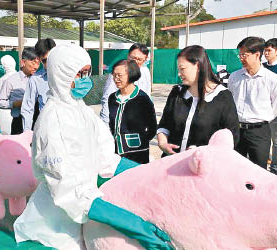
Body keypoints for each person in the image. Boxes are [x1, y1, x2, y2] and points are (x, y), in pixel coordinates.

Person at [13, 45, 173, 250]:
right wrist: (132, 224)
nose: (85, 79)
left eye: (87, 72)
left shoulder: (82, 111)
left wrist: (152, 173)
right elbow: (68, 191)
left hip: (83, 222)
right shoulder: (51, 121)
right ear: (62, 74)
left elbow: (106, 159)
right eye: (79, 73)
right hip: (51, 230)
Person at [157, 45, 239, 156]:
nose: (179, 74)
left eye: (182, 69)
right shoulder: (177, 93)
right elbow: (164, 124)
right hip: (171, 162)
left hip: (202, 167)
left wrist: (204, 153)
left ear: (198, 66)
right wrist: (163, 143)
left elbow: (231, 137)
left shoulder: (223, 97)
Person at [228, 37, 277, 168]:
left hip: (259, 132)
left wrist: (266, 118)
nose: (241, 58)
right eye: (240, 54)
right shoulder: (234, 77)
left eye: (244, 55)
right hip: (237, 131)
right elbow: (230, 100)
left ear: (257, 55)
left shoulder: (272, 79)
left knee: (258, 170)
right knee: (236, 169)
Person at [108, 59, 157, 164]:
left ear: (131, 75)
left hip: (137, 153)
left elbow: (152, 128)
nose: (116, 79)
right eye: (114, 75)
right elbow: (112, 124)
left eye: (119, 75)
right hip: (116, 153)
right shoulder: (112, 98)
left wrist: (139, 141)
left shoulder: (142, 99)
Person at [100, 43, 151, 125]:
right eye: (133, 58)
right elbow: (107, 100)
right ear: (128, 56)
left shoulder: (145, 72)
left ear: (145, 60)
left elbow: (147, 97)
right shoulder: (117, 73)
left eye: (139, 59)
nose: (135, 61)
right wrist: (106, 126)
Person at [0, 48, 39, 135]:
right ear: (23, 62)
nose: (36, 66)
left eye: (38, 63)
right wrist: (15, 104)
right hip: (19, 122)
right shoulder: (11, 80)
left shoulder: (39, 79)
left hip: (37, 121)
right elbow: (0, 102)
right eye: (33, 62)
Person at [21, 38, 56, 131]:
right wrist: (27, 134)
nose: (48, 63)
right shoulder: (36, 79)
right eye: (44, 61)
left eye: (51, 59)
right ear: (40, 60)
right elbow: (27, 108)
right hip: (47, 129)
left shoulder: (68, 74)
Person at [263, 38, 277, 174]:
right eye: (265, 50)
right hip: (263, 109)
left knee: (276, 140)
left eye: (269, 50)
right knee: (264, 138)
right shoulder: (262, 68)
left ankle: (275, 168)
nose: (266, 53)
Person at [0, 55, 17, 135]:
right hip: (16, 111)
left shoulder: (2, 79)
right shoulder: (19, 76)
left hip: (3, 112)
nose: (0, 66)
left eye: (1, 64)